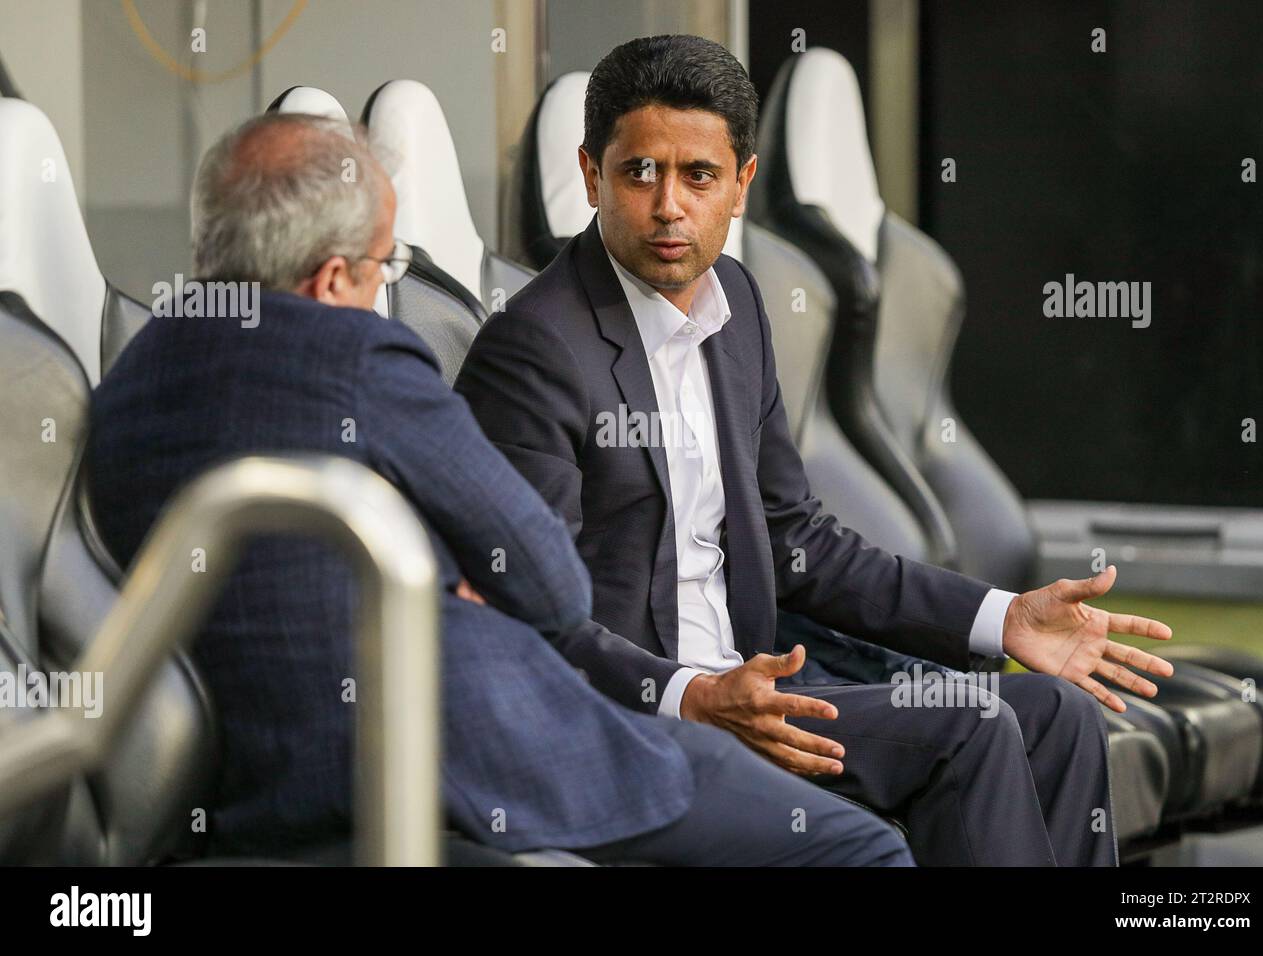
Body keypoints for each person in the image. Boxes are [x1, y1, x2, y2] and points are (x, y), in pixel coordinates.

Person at [86, 112, 911, 867]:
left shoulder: (126, 381)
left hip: (262, 782)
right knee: (856, 849)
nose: (386, 293)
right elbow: (551, 582)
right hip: (479, 754)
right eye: (387, 266)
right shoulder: (355, 358)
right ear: (332, 279)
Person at [456, 35, 1176, 866]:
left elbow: (799, 542)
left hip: (760, 687)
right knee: (969, 732)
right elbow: (528, 612)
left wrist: (1000, 617)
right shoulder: (535, 348)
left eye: (698, 176)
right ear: (592, 177)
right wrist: (694, 694)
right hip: (639, 723)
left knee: (1059, 713)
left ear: (742, 186)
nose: (667, 207)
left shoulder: (737, 306)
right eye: (639, 172)